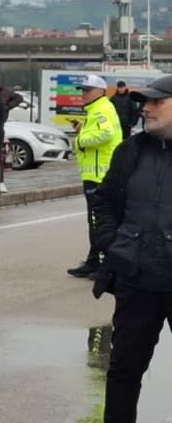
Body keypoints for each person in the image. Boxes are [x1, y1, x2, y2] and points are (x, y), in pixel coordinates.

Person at [82, 74, 172, 423]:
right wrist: (110, 242)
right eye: (144, 102)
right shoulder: (130, 151)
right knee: (124, 368)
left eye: (156, 102)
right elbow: (102, 199)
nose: (146, 108)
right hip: (137, 277)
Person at [67, 75, 125, 280]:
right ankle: (93, 262)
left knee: (99, 222)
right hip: (94, 174)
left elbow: (106, 134)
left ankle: (103, 265)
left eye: (88, 90)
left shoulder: (101, 109)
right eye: (82, 90)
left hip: (100, 175)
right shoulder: (97, 108)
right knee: (95, 221)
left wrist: (81, 139)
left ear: (100, 92)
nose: (83, 93)